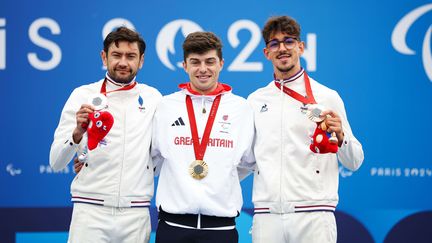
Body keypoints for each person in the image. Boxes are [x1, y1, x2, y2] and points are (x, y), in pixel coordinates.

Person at [246, 16, 364, 243]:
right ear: (266, 53)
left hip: (314, 215)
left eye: (288, 41)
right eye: (274, 43)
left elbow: (354, 161)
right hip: (267, 215)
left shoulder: (327, 96)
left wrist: (341, 136)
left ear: (301, 47)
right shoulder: (255, 100)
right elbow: (246, 160)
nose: (282, 48)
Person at [49, 26, 162, 243]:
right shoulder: (82, 95)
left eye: (131, 56)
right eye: (116, 55)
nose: (123, 62)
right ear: (104, 56)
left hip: (135, 214)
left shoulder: (153, 98)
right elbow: (55, 162)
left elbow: (161, 156)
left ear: (141, 60)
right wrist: (77, 134)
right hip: (90, 212)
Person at [151, 31, 254, 243]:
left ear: (221, 63)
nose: (203, 69)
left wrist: (220, 175)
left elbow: (248, 162)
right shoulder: (165, 106)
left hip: (221, 228)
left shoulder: (241, 108)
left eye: (210, 61)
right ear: (185, 65)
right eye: (195, 62)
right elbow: (151, 159)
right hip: (172, 226)